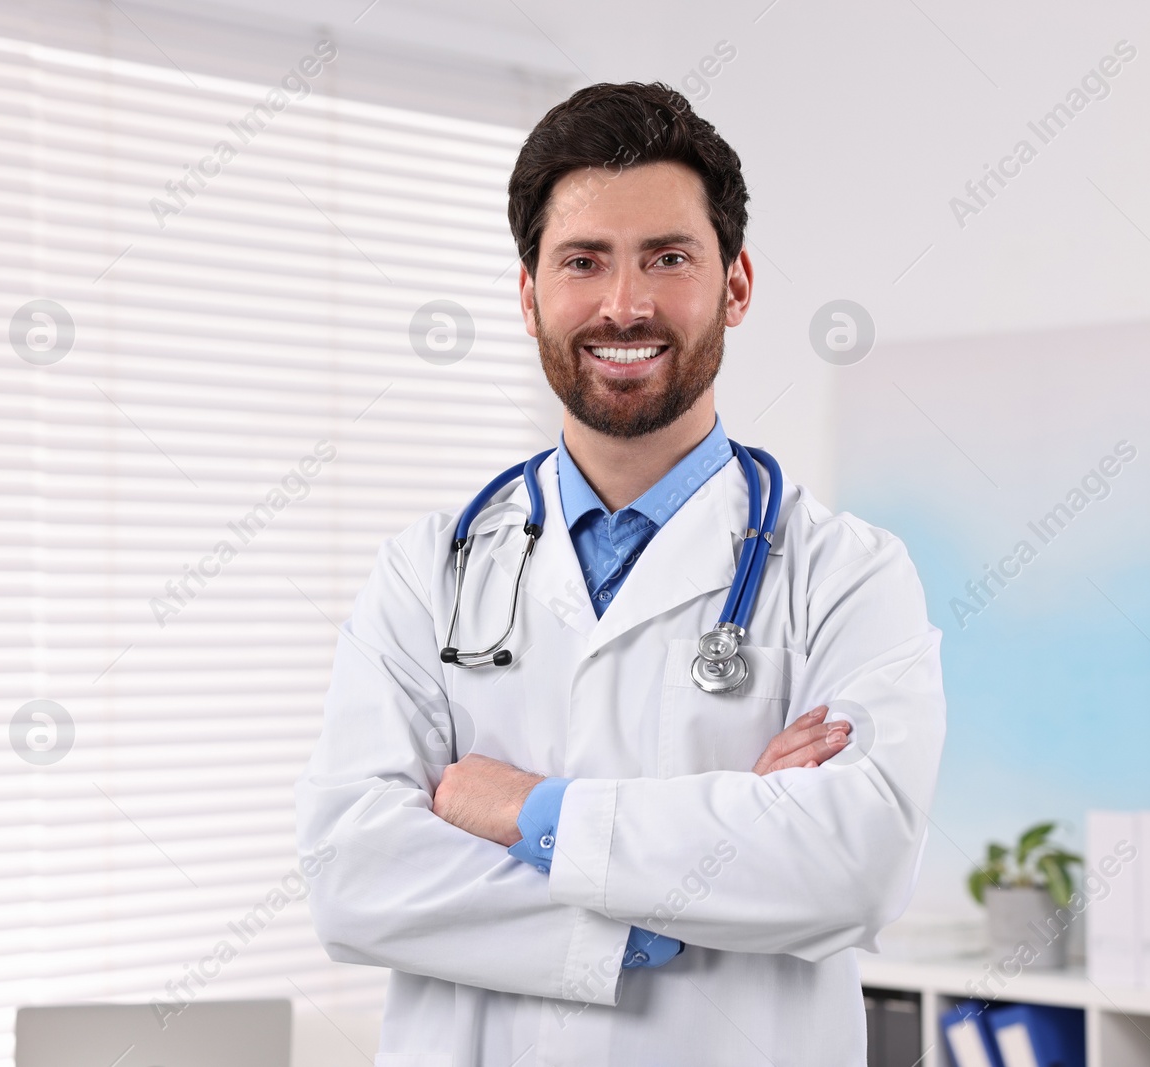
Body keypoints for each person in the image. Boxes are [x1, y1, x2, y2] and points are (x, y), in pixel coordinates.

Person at [295, 80, 946, 1066]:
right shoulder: (425, 571)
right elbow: (354, 872)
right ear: (528, 295)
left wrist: (526, 810)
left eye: (668, 257)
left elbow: (853, 862)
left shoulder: (847, 573)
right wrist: (659, 912)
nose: (625, 303)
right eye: (583, 261)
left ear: (734, 285)